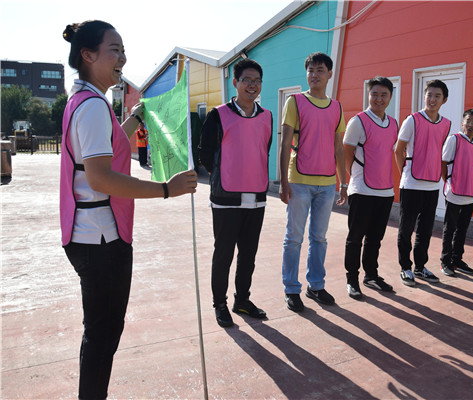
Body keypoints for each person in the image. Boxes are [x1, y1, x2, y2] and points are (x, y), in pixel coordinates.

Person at [60, 20, 197, 399]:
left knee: (101, 333)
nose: (123, 58)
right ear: (88, 55)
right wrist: (166, 189)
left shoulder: (84, 100)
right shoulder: (92, 106)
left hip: (89, 235)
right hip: (101, 239)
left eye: (123, 50)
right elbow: (100, 177)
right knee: (102, 335)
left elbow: (104, 146)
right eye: (115, 50)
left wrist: (135, 118)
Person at [198, 59, 272, 327]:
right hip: (226, 198)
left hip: (257, 197)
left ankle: (242, 300)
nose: (252, 85)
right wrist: (223, 174)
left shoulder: (267, 116)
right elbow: (205, 153)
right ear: (235, 82)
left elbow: (264, 149)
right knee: (224, 254)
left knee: (248, 255)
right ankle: (220, 304)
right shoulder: (218, 115)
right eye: (246, 80)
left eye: (257, 81)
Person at [279, 52, 347, 312]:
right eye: (311, 70)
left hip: (327, 184)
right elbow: (285, 142)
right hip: (299, 181)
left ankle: (316, 285)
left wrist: (342, 182)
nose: (314, 75)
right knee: (294, 238)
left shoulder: (336, 107)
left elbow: (339, 147)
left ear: (329, 74)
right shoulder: (295, 102)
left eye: (320, 70)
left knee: (319, 238)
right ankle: (291, 288)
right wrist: (284, 182)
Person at [343, 76, 398, 299]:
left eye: (384, 94)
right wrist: (354, 178)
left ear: (390, 97)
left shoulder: (393, 123)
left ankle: (371, 275)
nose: (379, 99)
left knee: (375, 238)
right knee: (355, 238)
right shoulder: (358, 121)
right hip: (362, 190)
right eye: (374, 94)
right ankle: (352, 279)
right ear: (368, 95)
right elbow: (347, 154)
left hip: (386, 190)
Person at [394, 79, 451, 287]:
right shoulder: (412, 120)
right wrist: (404, 173)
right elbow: (398, 150)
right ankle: (405, 267)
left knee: (426, 230)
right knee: (406, 229)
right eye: (429, 95)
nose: (432, 99)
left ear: (444, 100)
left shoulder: (446, 124)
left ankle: (420, 266)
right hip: (411, 184)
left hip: (432, 185)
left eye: (437, 96)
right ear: (424, 96)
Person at [440, 109, 473, 276]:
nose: (471, 125)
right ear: (462, 123)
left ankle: (457, 259)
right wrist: (449, 182)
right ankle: (445, 261)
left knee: (462, 229)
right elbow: (443, 163)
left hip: (470, 194)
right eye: (468, 121)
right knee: (449, 228)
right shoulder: (454, 140)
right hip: (454, 193)